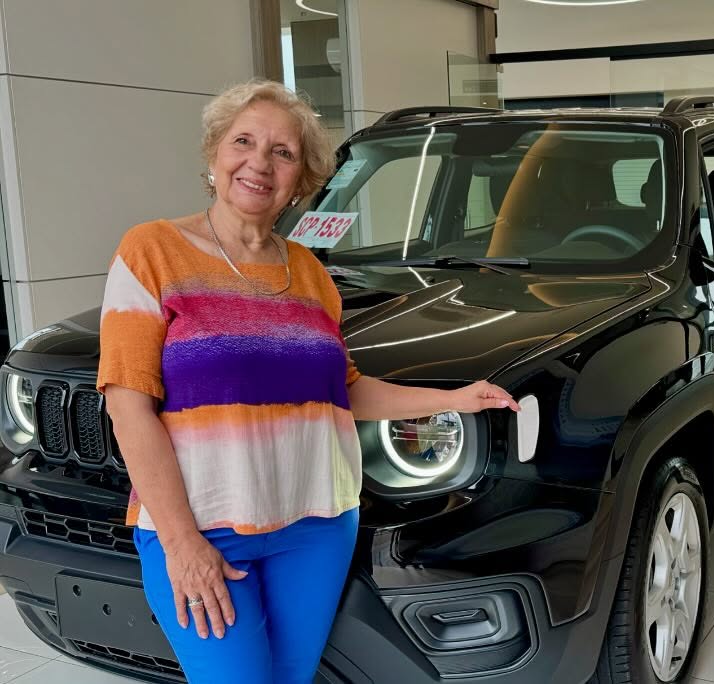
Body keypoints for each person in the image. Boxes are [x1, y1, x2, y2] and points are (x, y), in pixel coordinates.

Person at [97, 80, 520, 683]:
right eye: (244, 141)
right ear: (214, 153)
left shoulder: (310, 272)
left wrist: (455, 398)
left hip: (316, 526)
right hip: (203, 526)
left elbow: (342, 390)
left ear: (301, 179)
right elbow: (128, 408)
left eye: (283, 152)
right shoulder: (152, 252)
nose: (259, 163)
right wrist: (182, 544)